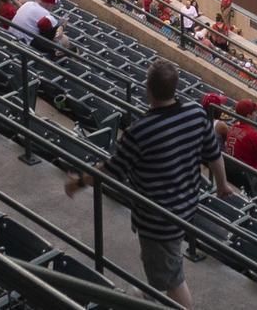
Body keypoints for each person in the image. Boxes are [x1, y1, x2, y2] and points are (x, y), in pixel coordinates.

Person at [64, 61, 230, 309]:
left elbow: (110, 170)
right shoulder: (196, 114)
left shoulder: (140, 130)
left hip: (158, 219)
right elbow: (214, 153)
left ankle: (154, 298)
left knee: (173, 278)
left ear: (148, 89)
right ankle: (148, 294)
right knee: (162, 264)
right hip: (185, 207)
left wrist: (77, 183)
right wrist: (222, 185)